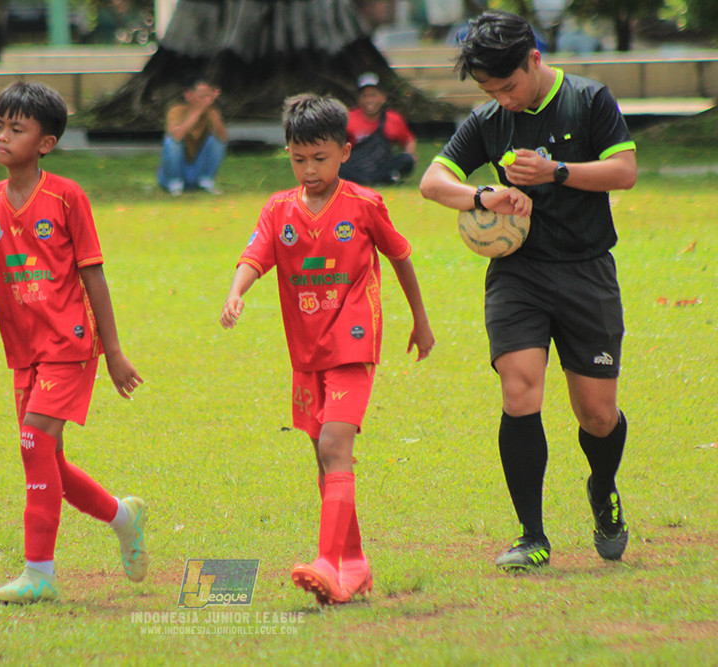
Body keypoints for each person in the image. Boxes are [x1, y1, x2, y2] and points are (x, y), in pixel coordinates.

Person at [419, 10, 637, 571]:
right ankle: (531, 536)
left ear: (534, 60)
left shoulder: (589, 100)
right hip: (520, 274)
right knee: (520, 391)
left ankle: (603, 489)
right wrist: (481, 195)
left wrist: (556, 172)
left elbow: (625, 171)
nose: (503, 98)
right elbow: (432, 182)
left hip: (587, 271)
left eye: (509, 85)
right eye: (491, 90)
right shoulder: (490, 118)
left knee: (598, 415)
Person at [220, 94, 435, 604]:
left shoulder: (364, 204)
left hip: (354, 341)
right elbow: (254, 255)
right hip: (306, 349)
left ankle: (326, 561)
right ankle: (354, 566)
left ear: (345, 149)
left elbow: (400, 256)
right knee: (325, 457)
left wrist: (420, 320)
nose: (309, 169)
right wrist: (236, 291)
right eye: (298, 158)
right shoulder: (279, 209)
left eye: (320, 158)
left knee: (334, 447)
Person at [0, 81, 150, 603]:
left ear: (45, 143)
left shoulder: (67, 197)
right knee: (50, 463)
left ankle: (39, 573)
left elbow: (95, 278)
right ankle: (122, 515)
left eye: (16, 129)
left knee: (32, 444)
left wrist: (112, 352)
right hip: (23, 349)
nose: (1, 136)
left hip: (69, 343)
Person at [338, 72, 417, 185]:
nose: (369, 100)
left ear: (383, 98)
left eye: (373, 95)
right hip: (356, 167)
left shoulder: (393, 119)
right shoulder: (348, 118)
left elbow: (409, 140)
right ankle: (385, 179)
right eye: (365, 96)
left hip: (382, 166)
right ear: (359, 99)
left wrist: (410, 153)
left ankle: (380, 178)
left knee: (407, 160)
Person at [157, 78, 228, 196]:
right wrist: (197, 112)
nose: (206, 100)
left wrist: (211, 112)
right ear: (188, 95)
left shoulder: (211, 112)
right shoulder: (177, 110)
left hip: (195, 171)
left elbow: (223, 138)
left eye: (208, 96)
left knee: (216, 140)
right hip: (175, 170)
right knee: (171, 142)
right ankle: (174, 183)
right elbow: (177, 136)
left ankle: (205, 181)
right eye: (202, 96)